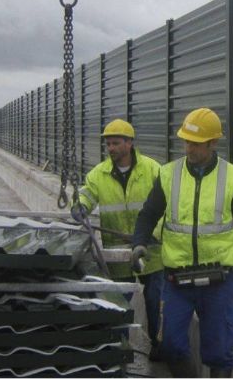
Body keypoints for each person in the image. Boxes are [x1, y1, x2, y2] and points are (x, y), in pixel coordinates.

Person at [131, 107, 233, 378]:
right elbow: (148, 214)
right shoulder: (169, 175)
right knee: (170, 344)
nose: (189, 148)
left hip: (218, 280)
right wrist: (139, 243)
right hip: (177, 280)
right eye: (186, 141)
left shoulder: (232, 178)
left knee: (220, 350)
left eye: (196, 143)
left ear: (213, 143)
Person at [71, 118, 165, 360]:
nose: (110, 148)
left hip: (150, 252)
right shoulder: (98, 175)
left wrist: (153, 236)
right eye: (108, 144)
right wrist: (80, 206)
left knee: (155, 301)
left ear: (129, 143)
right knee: (118, 303)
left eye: (115, 143)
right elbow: (87, 195)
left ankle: (158, 344)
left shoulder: (153, 170)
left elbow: (167, 207)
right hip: (118, 254)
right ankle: (119, 347)